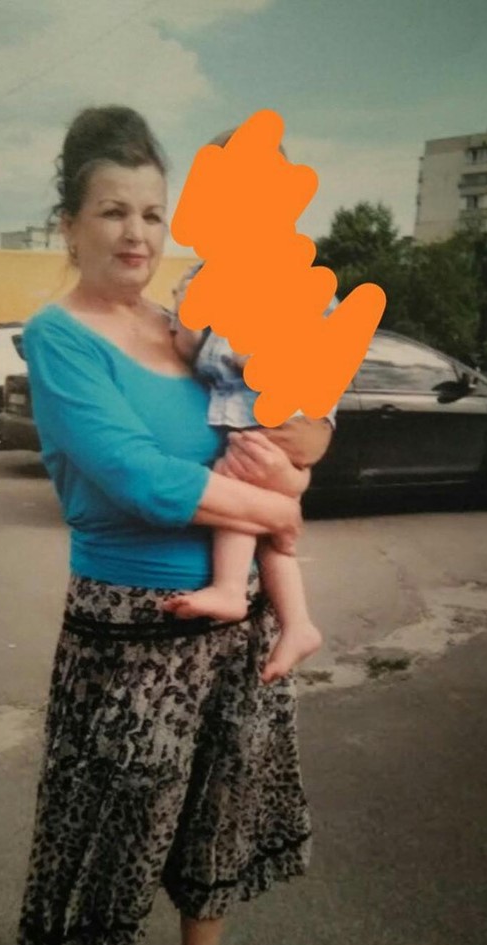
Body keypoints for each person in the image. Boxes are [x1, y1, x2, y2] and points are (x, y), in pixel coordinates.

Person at [14, 105, 313, 945]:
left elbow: (272, 432)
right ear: (69, 226)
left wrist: (296, 473)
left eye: (152, 212)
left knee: (217, 827)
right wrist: (281, 513)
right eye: (113, 211)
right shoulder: (59, 336)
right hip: (131, 635)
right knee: (106, 849)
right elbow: (138, 478)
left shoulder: (184, 326)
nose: (138, 234)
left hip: (236, 626)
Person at [164, 250, 338, 683]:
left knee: (233, 482)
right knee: (264, 529)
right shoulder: (205, 277)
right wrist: (188, 312)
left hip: (284, 412)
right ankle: (298, 624)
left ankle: (230, 590)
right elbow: (189, 346)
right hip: (265, 414)